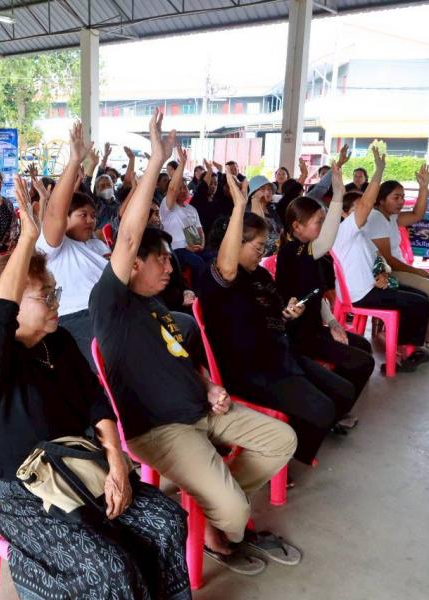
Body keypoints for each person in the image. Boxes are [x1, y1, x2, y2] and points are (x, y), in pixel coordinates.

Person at [90, 110, 298, 576]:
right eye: (161, 260)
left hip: (203, 409)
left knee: (281, 439)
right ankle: (219, 522)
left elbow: (183, 356)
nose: (171, 267)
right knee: (237, 515)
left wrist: (209, 387)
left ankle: (213, 502)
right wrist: (156, 161)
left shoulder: (158, 307)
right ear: (133, 265)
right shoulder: (112, 303)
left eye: (170, 259)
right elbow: (128, 234)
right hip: (161, 429)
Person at [0, 175, 191, 600]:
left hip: (82, 466)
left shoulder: (59, 341)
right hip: (24, 492)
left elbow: (95, 400)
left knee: (166, 520)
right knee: (107, 565)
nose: (56, 303)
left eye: (55, 294)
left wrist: (117, 461)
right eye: (45, 297)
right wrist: (28, 237)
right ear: (12, 305)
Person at [199, 170, 358, 463]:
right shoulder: (217, 279)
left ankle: (295, 440)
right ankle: (286, 458)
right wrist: (239, 206)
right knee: (323, 409)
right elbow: (228, 268)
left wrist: (289, 311)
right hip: (250, 369)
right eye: (257, 247)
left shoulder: (259, 275)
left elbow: (277, 311)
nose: (262, 253)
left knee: (343, 392)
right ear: (235, 244)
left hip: (280, 355)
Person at [276, 163, 374, 421]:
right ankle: (336, 411)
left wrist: (332, 323)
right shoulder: (292, 251)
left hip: (314, 327)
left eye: (322, 221)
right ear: (297, 226)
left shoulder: (310, 253)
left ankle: (334, 397)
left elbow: (315, 295)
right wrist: (338, 195)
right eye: (318, 222)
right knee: (363, 362)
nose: (322, 226)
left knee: (363, 346)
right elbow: (327, 240)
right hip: (298, 335)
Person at [332, 148, 429, 371]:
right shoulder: (345, 230)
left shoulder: (361, 235)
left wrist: (382, 274)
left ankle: (405, 348)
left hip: (371, 287)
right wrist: (379, 171)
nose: (364, 212)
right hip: (360, 294)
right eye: (357, 208)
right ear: (345, 213)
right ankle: (404, 355)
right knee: (418, 303)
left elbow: (377, 260)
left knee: (420, 296)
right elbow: (367, 205)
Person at [365, 167, 429, 356]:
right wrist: (416, 271)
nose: (401, 201)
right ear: (381, 200)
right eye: (396, 197)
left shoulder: (391, 216)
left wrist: (424, 187)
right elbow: (388, 260)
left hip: (399, 269)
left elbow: (417, 215)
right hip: (388, 273)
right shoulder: (376, 219)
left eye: (402, 197)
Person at [35, 122, 113, 361]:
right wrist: (74, 162)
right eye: (83, 215)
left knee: (183, 325)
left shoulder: (98, 245)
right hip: (80, 317)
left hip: (116, 309)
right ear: (66, 219)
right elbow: (54, 213)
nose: (90, 221)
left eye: (93, 216)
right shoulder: (53, 247)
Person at [160, 146, 207, 277]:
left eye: (185, 187)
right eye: (180, 188)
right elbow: (172, 189)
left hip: (194, 246)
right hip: (177, 249)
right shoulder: (167, 206)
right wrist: (182, 163)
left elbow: (200, 231)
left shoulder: (191, 209)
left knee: (213, 258)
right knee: (198, 263)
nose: (184, 189)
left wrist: (201, 245)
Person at [246, 174, 284, 257]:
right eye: (262, 189)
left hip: (277, 254)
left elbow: (281, 230)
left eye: (269, 189)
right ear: (253, 193)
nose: (267, 192)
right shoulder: (248, 212)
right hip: (260, 256)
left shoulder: (272, 210)